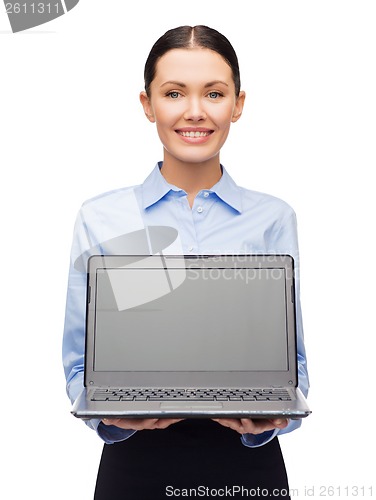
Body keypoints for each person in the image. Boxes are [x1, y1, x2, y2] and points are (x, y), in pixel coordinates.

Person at [63, 25, 309, 499]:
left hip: (248, 468)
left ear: (237, 104)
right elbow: (78, 366)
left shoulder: (273, 218)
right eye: (174, 93)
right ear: (147, 104)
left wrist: (265, 421)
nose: (195, 111)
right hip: (134, 468)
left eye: (214, 93)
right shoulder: (100, 218)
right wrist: (111, 417)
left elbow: (293, 365)